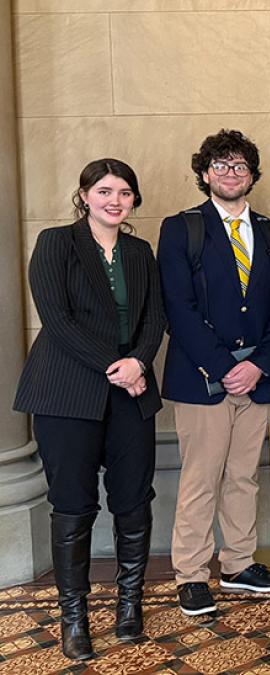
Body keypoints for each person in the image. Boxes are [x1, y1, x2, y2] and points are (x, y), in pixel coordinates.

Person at [13, 159, 165, 660]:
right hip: (67, 394)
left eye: (124, 192)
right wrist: (117, 365)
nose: (115, 200)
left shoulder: (141, 252)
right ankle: (73, 618)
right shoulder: (56, 243)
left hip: (132, 393)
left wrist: (138, 362)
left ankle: (129, 607)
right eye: (104, 191)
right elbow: (55, 319)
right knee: (74, 505)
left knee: (134, 501)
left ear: (134, 200)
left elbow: (155, 317)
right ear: (84, 195)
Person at [158, 129, 270, 616]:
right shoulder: (182, 228)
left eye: (239, 166)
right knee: (201, 478)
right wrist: (223, 366)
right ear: (204, 174)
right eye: (220, 166)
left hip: (258, 379)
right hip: (202, 380)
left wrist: (258, 366)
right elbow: (179, 306)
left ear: (252, 176)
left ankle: (237, 563)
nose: (230, 174)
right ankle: (191, 575)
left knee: (243, 477)